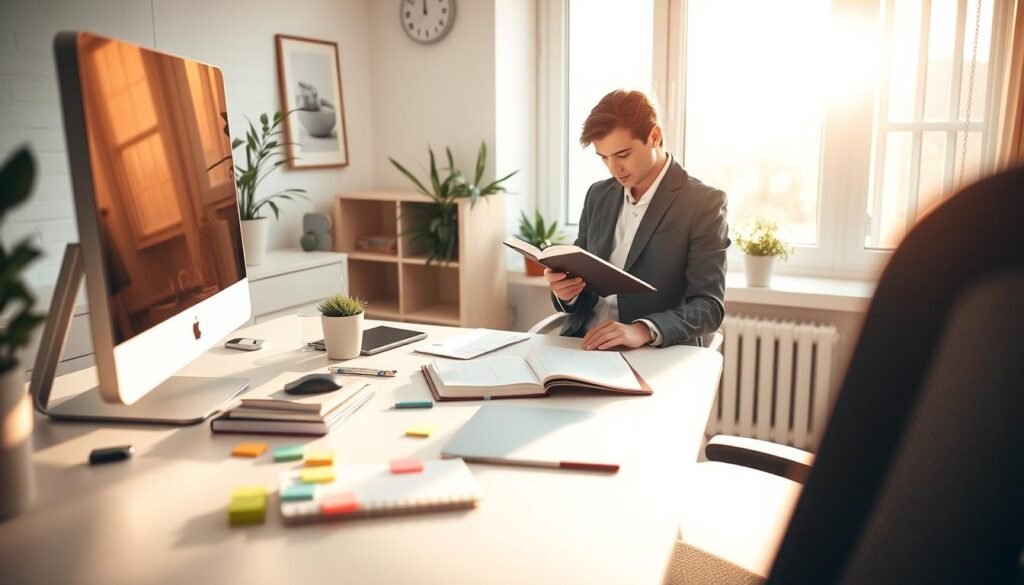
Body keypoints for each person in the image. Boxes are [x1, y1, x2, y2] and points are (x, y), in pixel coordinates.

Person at [545, 89, 729, 349]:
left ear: (654, 136)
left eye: (622, 155)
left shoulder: (703, 203)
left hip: (653, 352)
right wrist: (567, 293)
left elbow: (709, 306)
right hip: (582, 345)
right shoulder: (598, 195)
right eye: (604, 158)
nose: (614, 168)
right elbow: (583, 285)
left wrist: (643, 330)